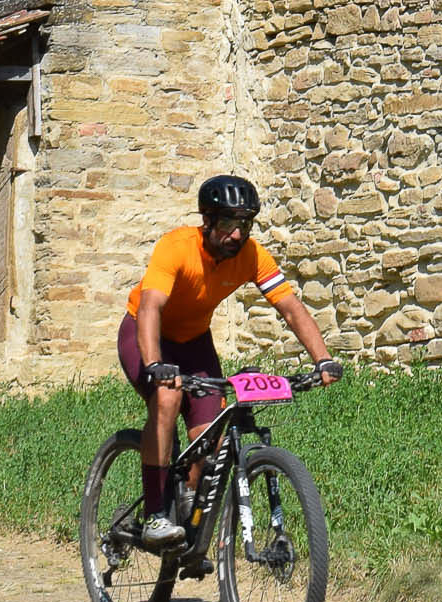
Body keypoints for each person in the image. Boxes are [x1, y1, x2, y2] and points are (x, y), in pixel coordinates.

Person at [120, 173, 339, 548]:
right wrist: (155, 365)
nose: (237, 234)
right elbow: (151, 306)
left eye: (245, 224)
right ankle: (155, 515)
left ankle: (189, 517)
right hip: (146, 333)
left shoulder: (252, 256)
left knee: (210, 437)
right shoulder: (177, 247)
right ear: (207, 221)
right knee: (168, 398)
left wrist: (323, 360)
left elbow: (290, 308)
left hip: (194, 343)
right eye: (227, 223)